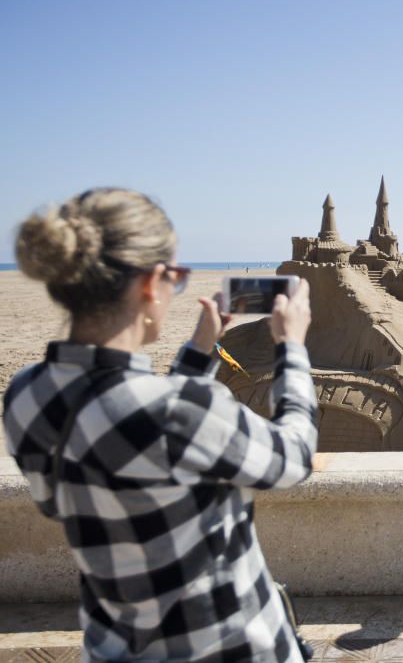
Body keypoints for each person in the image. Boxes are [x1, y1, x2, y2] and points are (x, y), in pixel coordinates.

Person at [3, 188, 317, 662]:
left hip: (115, 645)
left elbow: (135, 435)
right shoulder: (183, 410)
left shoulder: (26, 394)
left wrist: (199, 350)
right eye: (175, 278)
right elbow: (293, 458)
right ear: (150, 284)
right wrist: (292, 348)